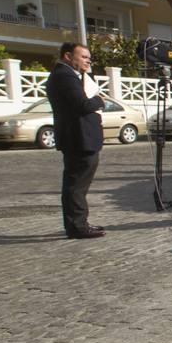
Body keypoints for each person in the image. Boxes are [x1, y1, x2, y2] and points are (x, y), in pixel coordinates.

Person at [47, 41, 105, 239]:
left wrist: (87, 73)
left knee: (79, 184)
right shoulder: (64, 76)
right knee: (76, 185)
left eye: (89, 57)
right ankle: (77, 225)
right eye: (83, 57)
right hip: (78, 137)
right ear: (68, 56)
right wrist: (100, 100)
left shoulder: (72, 75)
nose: (87, 60)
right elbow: (83, 104)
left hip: (82, 137)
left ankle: (80, 222)